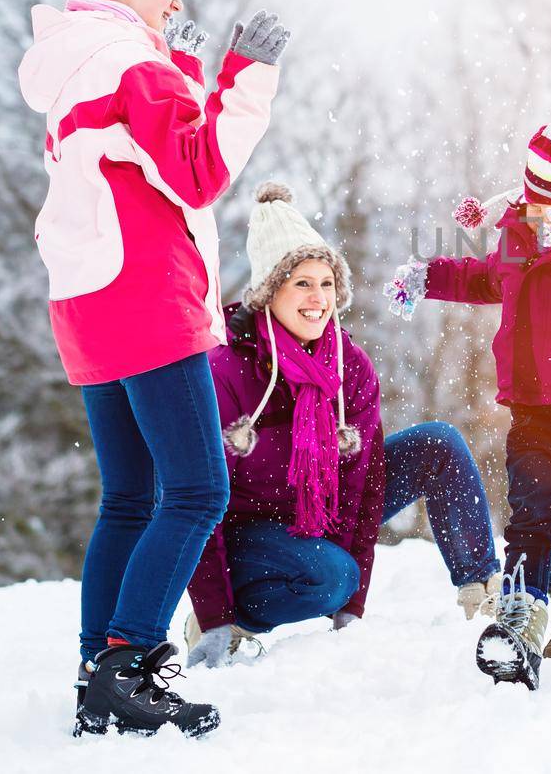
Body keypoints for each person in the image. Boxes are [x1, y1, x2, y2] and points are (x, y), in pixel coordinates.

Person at [19, 0, 291, 736]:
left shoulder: (79, 61)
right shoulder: (131, 63)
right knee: (198, 488)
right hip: (145, 295)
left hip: (89, 306)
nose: (177, 1)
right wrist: (243, 78)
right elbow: (201, 171)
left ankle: (96, 672)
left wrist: (180, 71)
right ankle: (128, 661)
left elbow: (147, 163)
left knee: (131, 497)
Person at [183, 184, 503, 666]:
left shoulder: (347, 365)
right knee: (331, 577)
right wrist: (214, 616)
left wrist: (351, 610)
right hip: (251, 531)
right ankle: (245, 618)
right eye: (302, 283)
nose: (318, 298)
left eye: (327, 283)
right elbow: (198, 501)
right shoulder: (227, 369)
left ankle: (483, 589)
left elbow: (365, 482)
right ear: (270, 291)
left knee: (439, 444)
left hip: (325, 506)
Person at [385, 117, 551, 689]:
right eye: (542, 205)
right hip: (533, 408)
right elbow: (488, 280)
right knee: (530, 517)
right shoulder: (522, 235)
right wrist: (429, 276)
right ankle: (519, 621)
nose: (550, 218)